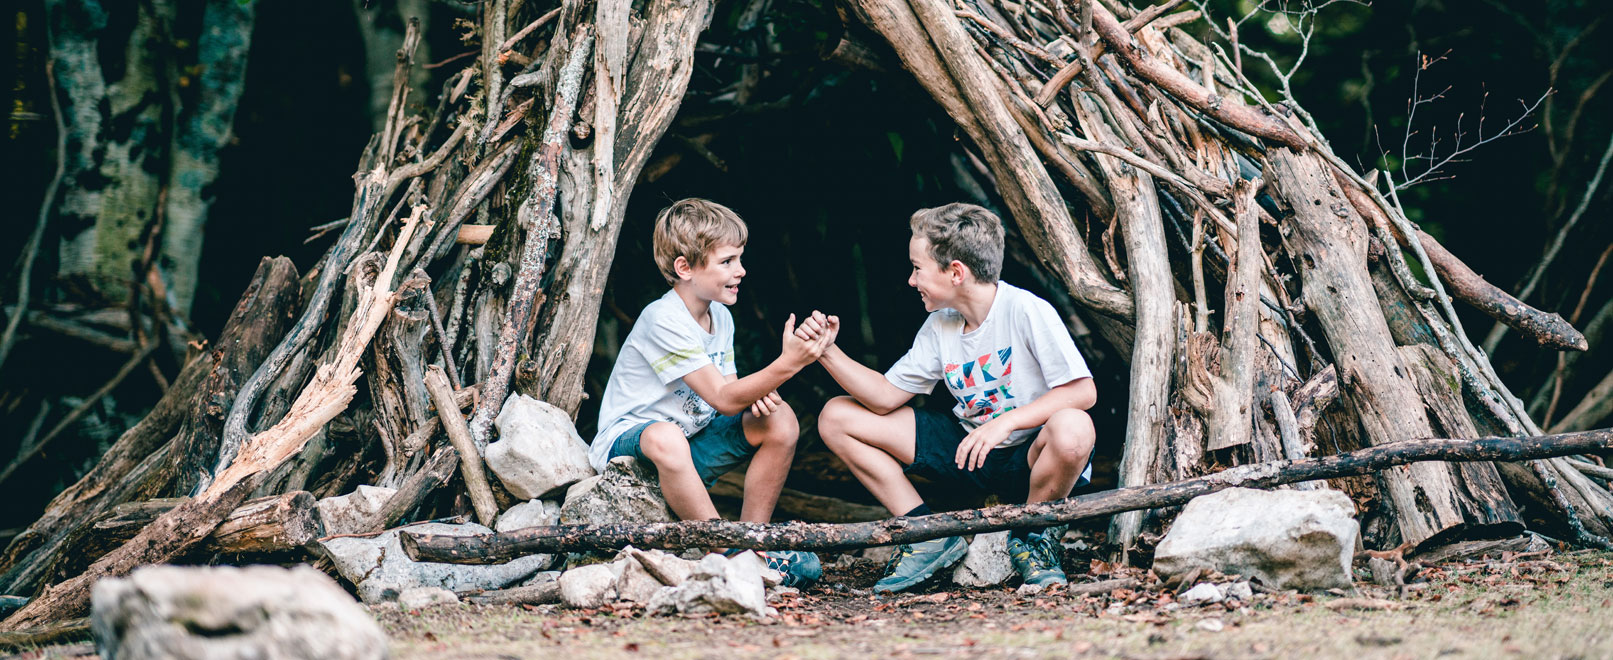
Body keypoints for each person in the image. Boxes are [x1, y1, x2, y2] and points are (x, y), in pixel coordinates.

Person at [803, 202, 1097, 593]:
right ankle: (925, 534)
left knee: (1074, 427)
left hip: (1030, 457)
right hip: (969, 451)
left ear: (955, 272)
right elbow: (885, 397)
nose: (911, 280)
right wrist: (826, 351)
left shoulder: (1025, 310)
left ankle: (1033, 535)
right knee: (837, 416)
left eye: (917, 268)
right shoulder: (940, 324)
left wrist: (1006, 422)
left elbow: (1083, 391)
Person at [590, 198, 830, 587]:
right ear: (685, 268)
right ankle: (726, 551)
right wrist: (790, 363)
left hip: (692, 445)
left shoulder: (721, 315)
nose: (741, 270)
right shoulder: (663, 318)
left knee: (779, 419)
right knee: (666, 436)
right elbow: (722, 396)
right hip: (635, 451)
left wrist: (756, 399)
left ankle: (753, 542)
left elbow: (730, 397)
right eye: (728, 261)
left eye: (740, 259)